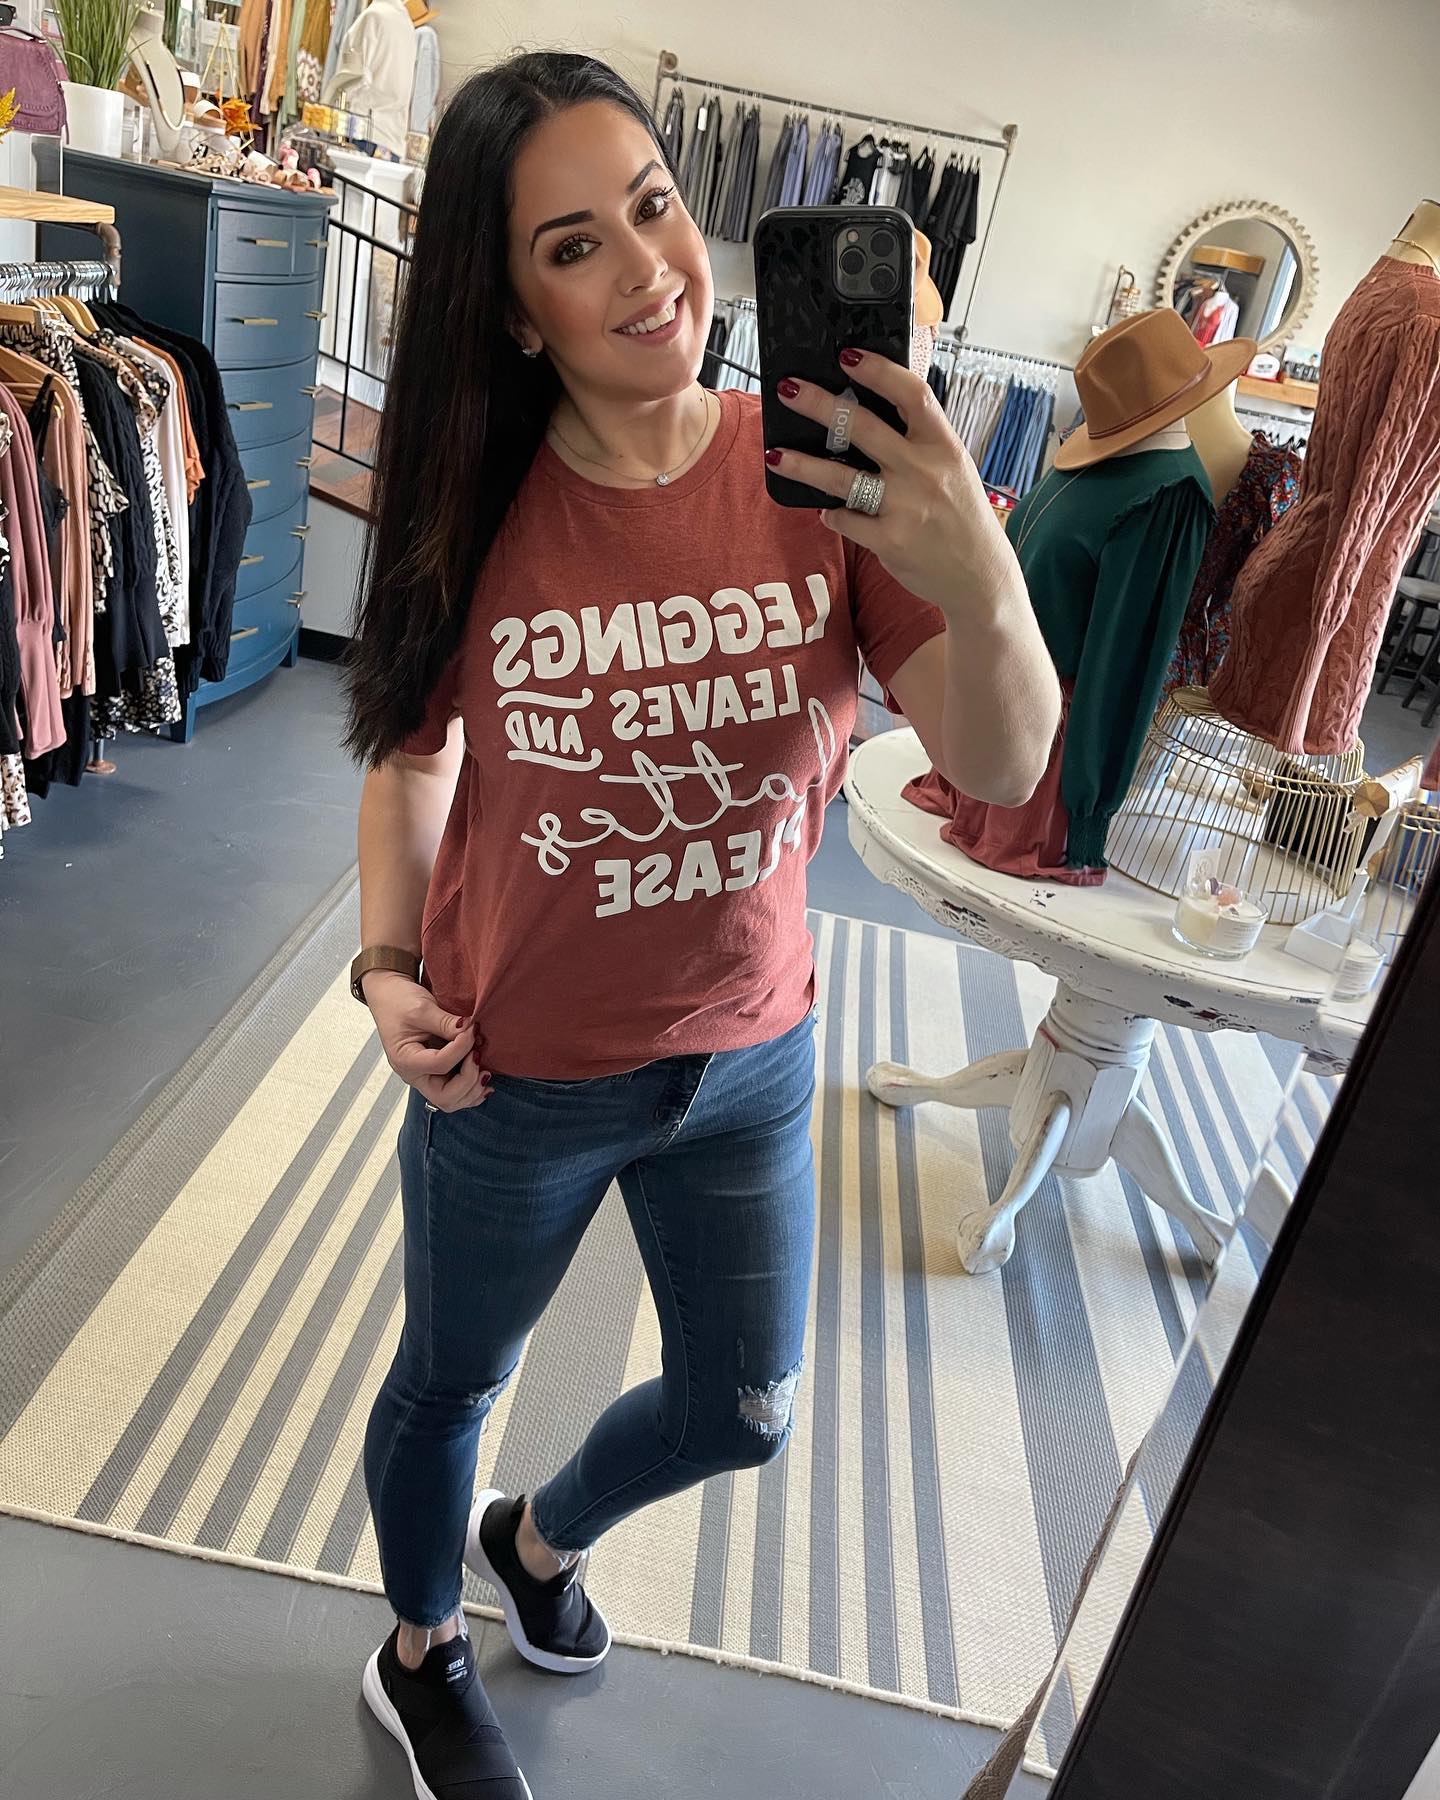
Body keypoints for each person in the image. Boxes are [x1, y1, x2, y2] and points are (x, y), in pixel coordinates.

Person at [343, 50, 1059, 1799]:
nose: (647, 268)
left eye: (653, 207)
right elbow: (412, 759)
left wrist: (979, 563)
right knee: (453, 1382)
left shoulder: (817, 481)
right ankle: (423, 1648)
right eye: (572, 245)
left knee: (746, 1409)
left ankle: (539, 1542)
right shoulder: (471, 515)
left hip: (750, 1058)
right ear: (511, 309)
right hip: (514, 1072)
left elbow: (1000, 763)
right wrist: (384, 963)